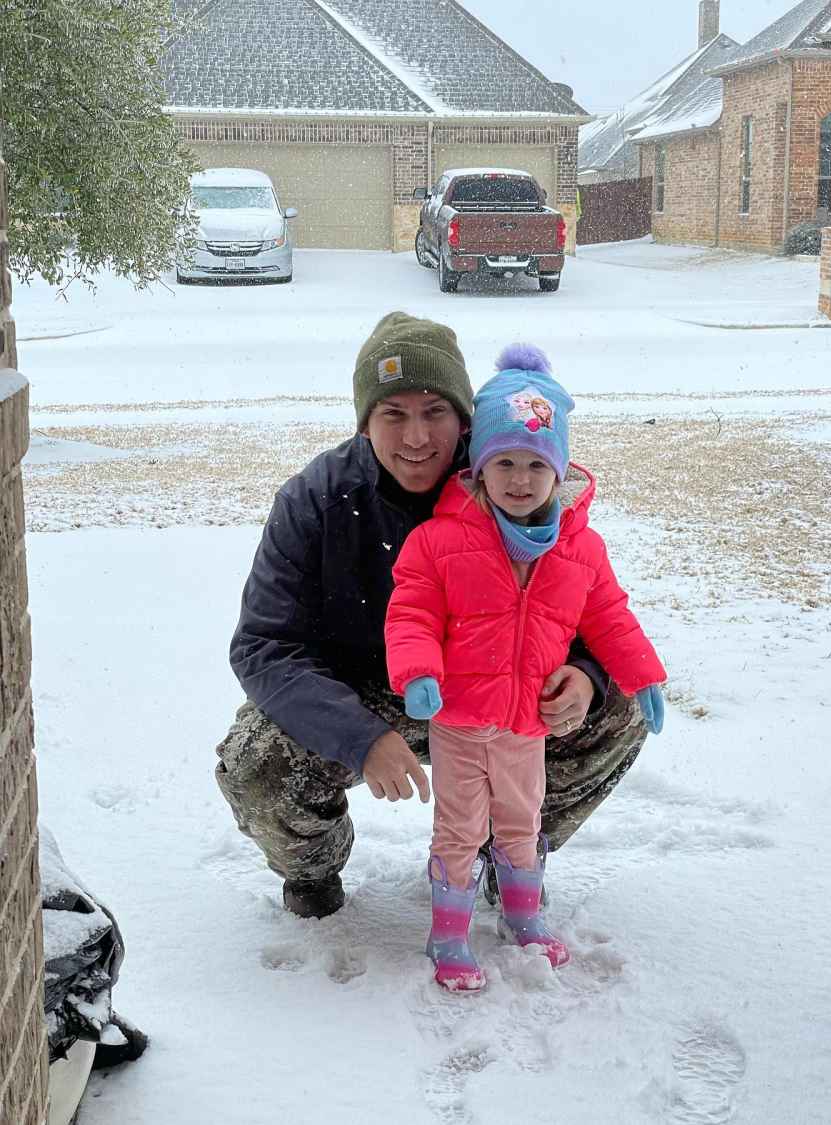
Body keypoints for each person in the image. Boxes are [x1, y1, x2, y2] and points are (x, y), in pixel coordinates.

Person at [216, 312, 654, 922]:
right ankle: (313, 870)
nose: (416, 437)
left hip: (499, 692)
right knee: (255, 762)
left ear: (466, 420)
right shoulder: (314, 498)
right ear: (365, 420)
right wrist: (359, 737)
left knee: (621, 710)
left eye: (434, 412)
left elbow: (588, 606)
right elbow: (263, 646)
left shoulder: (514, 475)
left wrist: (586, 675)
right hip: (366, 694)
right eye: (393, 414)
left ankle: (511, 853)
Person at [385, 344, 666, 991]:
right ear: (479, 469)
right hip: (458, 720)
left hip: (526, 724)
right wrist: (418, 673)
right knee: (459, 827)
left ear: (558, 469)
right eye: (503, 461)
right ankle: (449, 932)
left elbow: (610, 617)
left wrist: (641, 674)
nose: (518, 478)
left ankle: (522, 913)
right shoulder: (443, 539)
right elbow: (411, 613)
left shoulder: (579, 547)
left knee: (521, 820)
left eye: (535, 463)